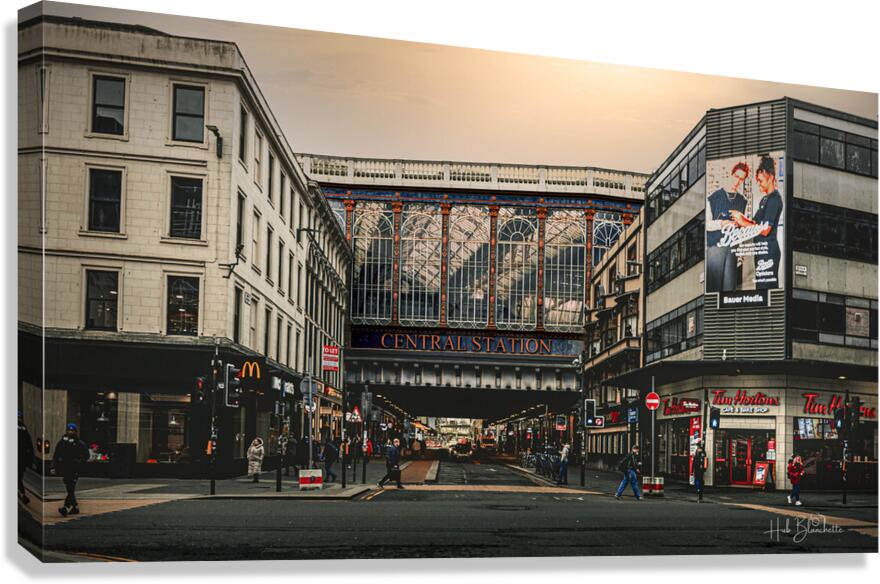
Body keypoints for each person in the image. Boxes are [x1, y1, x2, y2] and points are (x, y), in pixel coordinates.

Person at [730, 154, 783, 290]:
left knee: (766, 290)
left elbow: (765, 230)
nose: (758, 183)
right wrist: (741, 220)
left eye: (760, 180)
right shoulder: (764, 200)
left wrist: (743, 222)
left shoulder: (774, 200)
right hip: (762, 251)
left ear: (769, 176)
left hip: (768, 251)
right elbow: (754, 222)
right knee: (761, 288)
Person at [706, 161, 750, 292]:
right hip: (715, 247)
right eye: (736, 177)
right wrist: (722, 223)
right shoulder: (713, 198)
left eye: (741, 179)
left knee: (729, 290)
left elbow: (744, 228)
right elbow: (707, 224)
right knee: (714, 290)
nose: (738, 181)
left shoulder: (743, 202)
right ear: (731, 175)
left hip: (732, 250)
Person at [52, 423, 89, 516]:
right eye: (69, 430)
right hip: (65, 468)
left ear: (76, 432)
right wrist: (53, 466)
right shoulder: (62, 442)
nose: (70, 432)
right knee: (69, 488)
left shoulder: (79, 443)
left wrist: (79, 462)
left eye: (72, 431)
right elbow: (56, 455)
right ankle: (75, 507)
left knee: (71, 488)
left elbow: (86, 455)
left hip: (75, 468)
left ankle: (65, 507)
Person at [18, 412, 34, 504]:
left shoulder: (23, 429)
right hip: (22, 458)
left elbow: (29, 445)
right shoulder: (24, 429)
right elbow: (29, 445)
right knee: (18, 476)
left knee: (18, 476)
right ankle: (22, 493)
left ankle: (22, 493)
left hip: (20, 457)